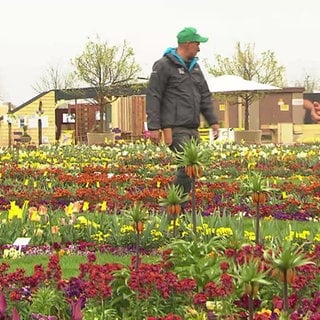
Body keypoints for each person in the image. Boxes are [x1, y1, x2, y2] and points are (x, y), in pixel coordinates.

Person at [146, 26, 219, 208]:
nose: (199, 48)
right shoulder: (163, 65)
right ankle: (170, 208)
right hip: (174, 128)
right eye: (197, 44)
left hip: (192, 127)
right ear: (187, 44)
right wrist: (154, 127)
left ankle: (181, 209)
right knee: (187, 166)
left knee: (193, 169)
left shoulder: (195, 68)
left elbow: (204, 96)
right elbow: (154, 95)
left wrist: (213, 121)